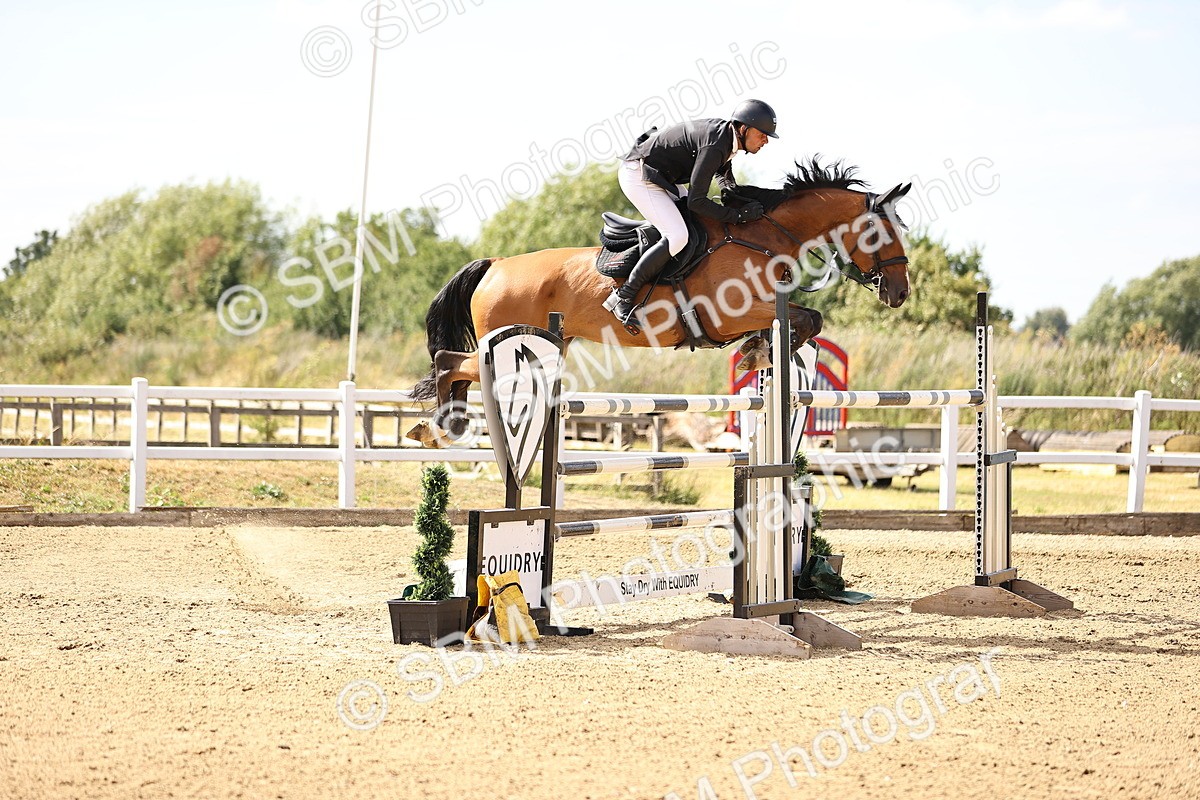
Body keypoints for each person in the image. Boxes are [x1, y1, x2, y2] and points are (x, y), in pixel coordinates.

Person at [605, 99, 778, 327]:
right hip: (639, 174)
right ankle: (622, 296)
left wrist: (736, 196)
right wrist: (738, 216)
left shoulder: (728, 138)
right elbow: (697, 201)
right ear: (744, 128)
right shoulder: (717, 143)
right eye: (763, 134)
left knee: (698, 225)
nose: (765, 140)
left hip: (664, 176)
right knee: (678, 236)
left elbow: (723, 175)